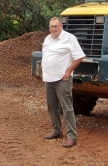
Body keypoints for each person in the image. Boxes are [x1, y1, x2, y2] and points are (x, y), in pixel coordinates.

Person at [42, 16, 85, 148]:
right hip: (48, 78)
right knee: (52, 107)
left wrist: (68, 71)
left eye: (56, 26)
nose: (53, 29)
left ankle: (72, 136)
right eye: (51, 26)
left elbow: (79, 57)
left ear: (61, 26)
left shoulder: (69, 38)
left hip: (62, 79)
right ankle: (57, 131)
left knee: (67, 108)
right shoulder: (47, 39)